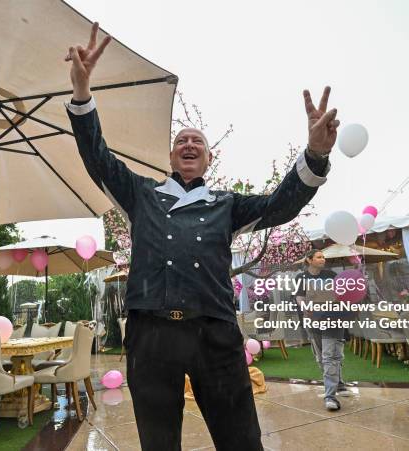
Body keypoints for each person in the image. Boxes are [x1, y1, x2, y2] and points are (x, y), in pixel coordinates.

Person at [64, 23, 339, 451]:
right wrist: (82, 95)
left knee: (242, 440)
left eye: (197, 141)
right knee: (159, 444)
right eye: (181, 141)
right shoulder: (141, 194)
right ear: (172, 156)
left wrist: (315, 154)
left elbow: (282, 204)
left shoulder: (228, 204)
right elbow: (97, 157)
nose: (189, 143)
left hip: (215, 336)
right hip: (150, 337)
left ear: (209, 158)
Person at [295, 249, 351, 411]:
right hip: (313, 321)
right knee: (321, 358)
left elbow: (341, 294)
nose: (323, 259)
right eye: (319, 257)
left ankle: (330, 397)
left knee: (329, 357)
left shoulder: (331, 275)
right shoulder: (301, 278)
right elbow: (299, 299)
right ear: (309, 260)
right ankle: (339, 383)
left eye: (323, 257)